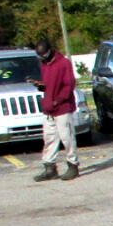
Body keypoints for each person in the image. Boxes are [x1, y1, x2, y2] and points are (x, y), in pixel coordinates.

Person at [31, 39, 80, 182]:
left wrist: (57, 100)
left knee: (67, 138)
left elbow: (68, 85)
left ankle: (73, 165)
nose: (42, 58)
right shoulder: (44, 64)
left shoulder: (64, 63)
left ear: (50, 51)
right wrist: (41, 86)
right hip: (49, 109)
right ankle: (50, 168)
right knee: (49, 139)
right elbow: (49, 85)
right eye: (39, 55)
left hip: (62, 107)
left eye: (44, 54)